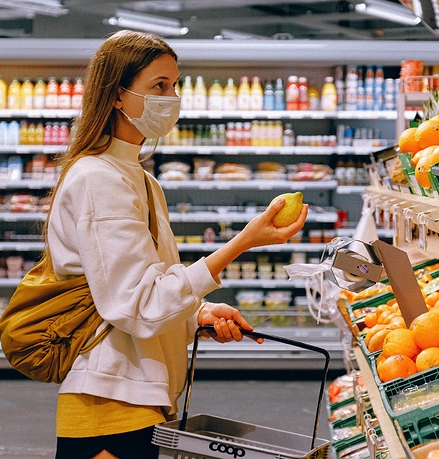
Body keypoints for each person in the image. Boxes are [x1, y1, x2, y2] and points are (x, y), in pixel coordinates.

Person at [40, 30, 308, 459]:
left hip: (143, 398)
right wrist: (242, 242)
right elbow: (136, 303)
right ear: (116, 96)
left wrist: (194, 315)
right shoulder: (98, 179)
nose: (172, 97)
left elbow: (148, 289)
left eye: (175, 85)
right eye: (158, 86)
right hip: (109, 403)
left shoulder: (141, 180)